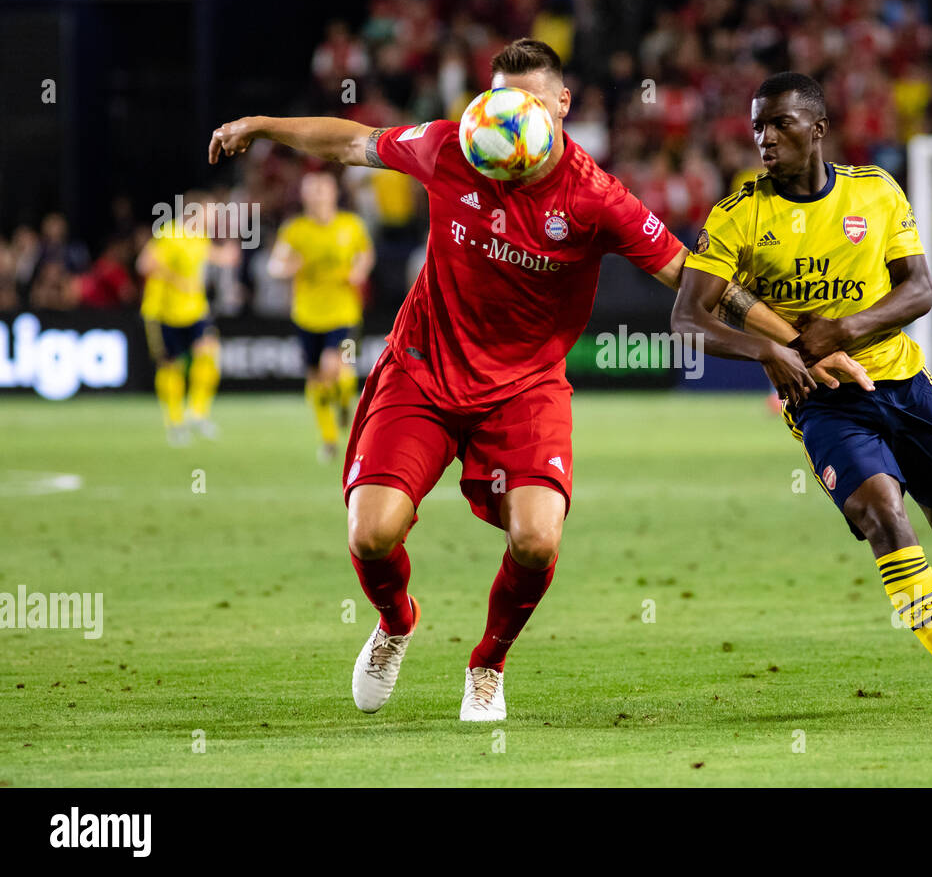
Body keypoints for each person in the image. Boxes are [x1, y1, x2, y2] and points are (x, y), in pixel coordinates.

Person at [209, 39, 865, 722]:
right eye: (499, 100)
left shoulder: (594, 198)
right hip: (423, 368)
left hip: (525, 389)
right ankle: (395, 622)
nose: (507, 115)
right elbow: (354, 143)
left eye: (526, 102)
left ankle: (488, 663)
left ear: (561, 105)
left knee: (536, 539)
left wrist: (805, 344)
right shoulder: (451, 148)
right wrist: (263, 127)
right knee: (370, 534)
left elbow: (699, 282)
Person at [672, 72, 932, 730]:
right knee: (884, 517)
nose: (765, 138)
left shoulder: (875, 192)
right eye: (758, 127)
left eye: (781, 124)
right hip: (824, 403)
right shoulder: (740, 214)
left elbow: (919, 291)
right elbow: (688, 319)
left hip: (905, 385)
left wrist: (845, 329)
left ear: (819, 128)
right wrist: (772, 352)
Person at [268, 171, 374, 461]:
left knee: (334, 367)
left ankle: (344, 404)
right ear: (303, 196)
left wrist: (359, 271)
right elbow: (274, 265)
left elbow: (365, 254)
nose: (317, 195)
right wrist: (288, 267)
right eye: (311, 190)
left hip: (344, 313)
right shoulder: (295, 230)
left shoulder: (350, 226)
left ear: (333, 193)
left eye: (322, 189)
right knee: (316, 378)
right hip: (307, 315)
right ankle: (329, 438)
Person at [138, 192, 239, 445]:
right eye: (211, 212)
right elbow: (145, 264)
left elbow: (215, 256)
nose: (214, 217)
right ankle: (174, 423)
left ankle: (197, 412)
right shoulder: (170, 234)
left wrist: (228, 255)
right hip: (163, 312)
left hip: (194, 311)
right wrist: (176, 279)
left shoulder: (200, 238)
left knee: (209, 353)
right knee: (172, 366)